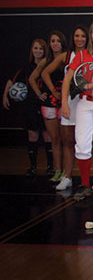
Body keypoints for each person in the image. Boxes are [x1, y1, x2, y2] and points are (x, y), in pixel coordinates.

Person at [62, 20, 93, 200]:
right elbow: (68, 79)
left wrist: (92, 84)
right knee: (82, 144)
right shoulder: (82, 55)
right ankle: (84, 184)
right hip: (84, 103)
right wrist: (64, 103)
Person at [42, 26, 88, 191]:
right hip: (70, 101)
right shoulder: (66, 56)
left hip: (86, 101)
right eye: (77, 36)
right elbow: (45, 72)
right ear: (72, 38)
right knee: (68, 141)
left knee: (89, 143)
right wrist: (57, 94)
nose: (80, 39)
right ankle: (67, 176)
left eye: (83, 36)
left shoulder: (91, 54)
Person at [3, 39, 52, 177]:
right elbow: (11, 81)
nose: (38, 51)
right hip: (30, 105)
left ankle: (50, 167)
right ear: (32, 50)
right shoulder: (26, 67)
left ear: (45, 51)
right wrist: (5, 95)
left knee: (47, 135)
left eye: (41, 49)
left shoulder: (48, 66)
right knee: (32, 134)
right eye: (35, 48)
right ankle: (32, 167)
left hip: (44, 104)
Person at [29, 31, 67, 180]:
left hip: (65, 103)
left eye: (58, 41)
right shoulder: (46, 60)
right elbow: (33, 79)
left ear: (63, 42)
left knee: (66, 140)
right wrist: (40, 93)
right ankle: (58, 170)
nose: (55, 43)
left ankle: (66, 171)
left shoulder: (67, 58)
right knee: (55, 139)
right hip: (49, 103)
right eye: (52, 41)